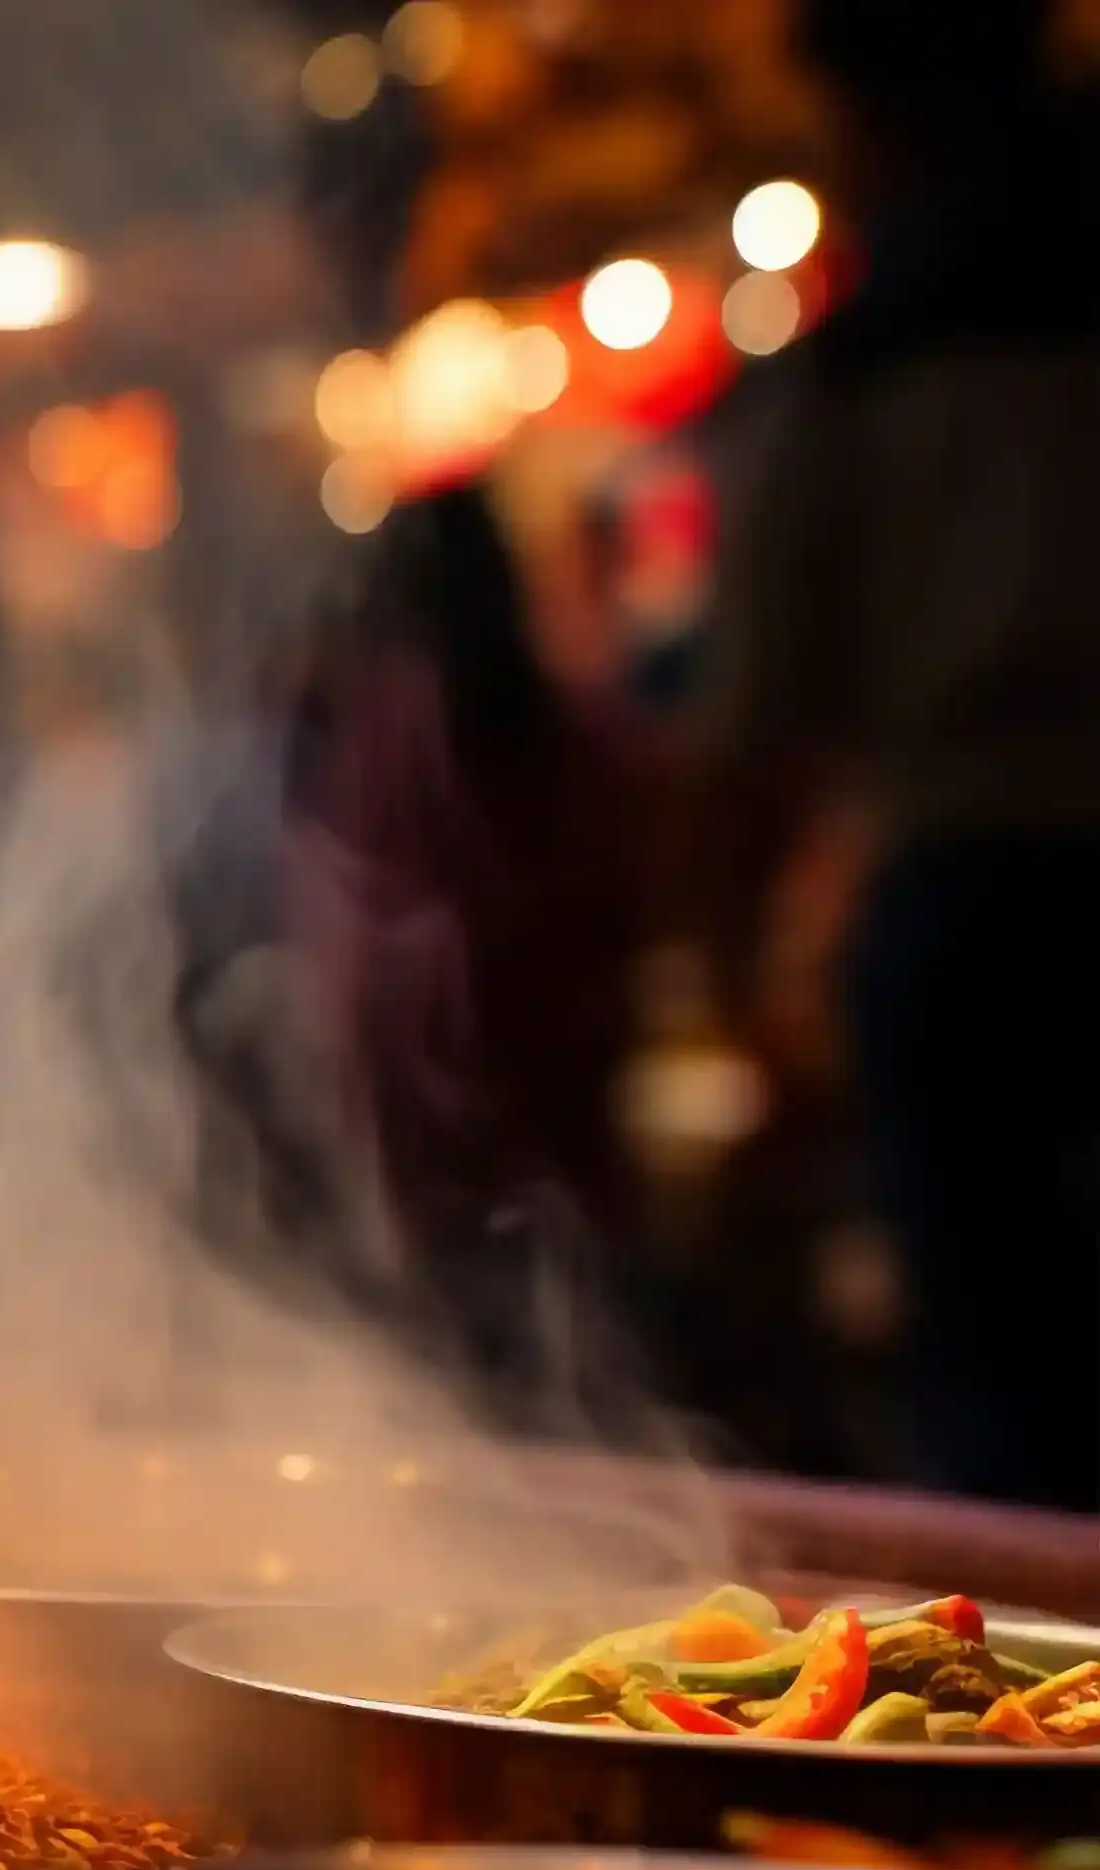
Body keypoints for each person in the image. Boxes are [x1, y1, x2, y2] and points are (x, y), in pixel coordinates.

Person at [698, 0, 1100, 1508]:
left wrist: (725, 965)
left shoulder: (864, 364)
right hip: (978, 887)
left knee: (995, 1361)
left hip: (967, 897)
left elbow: (757, 709)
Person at [289, 483, 650, 1381]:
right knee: (562, 1361)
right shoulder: (570, 728)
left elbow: (353, 957)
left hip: (422, 1144)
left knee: (447, 1373)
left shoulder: (386, 734)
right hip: (561, 1123)